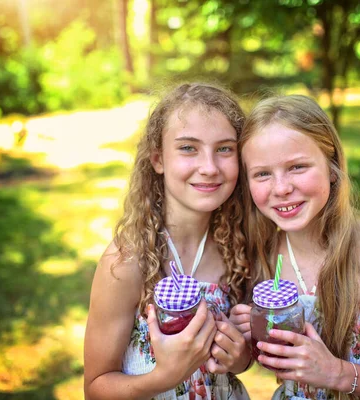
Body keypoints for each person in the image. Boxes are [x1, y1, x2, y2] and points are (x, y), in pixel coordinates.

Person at [230, 95, 360, 399]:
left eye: (297, 167)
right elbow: (272, 366)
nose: (281, 188)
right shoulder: (262, 258)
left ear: (332, 167)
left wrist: (336, 373)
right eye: (262, 173)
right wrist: (253, 338)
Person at [84, 83, 253, 400]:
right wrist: (165, 377)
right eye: (189, 148)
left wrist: (240, 357)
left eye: (224, 149)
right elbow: (95, 388)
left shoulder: (238, 248)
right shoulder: (126, 261)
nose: (209, 167)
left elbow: (240, 359)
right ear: (158, 160)